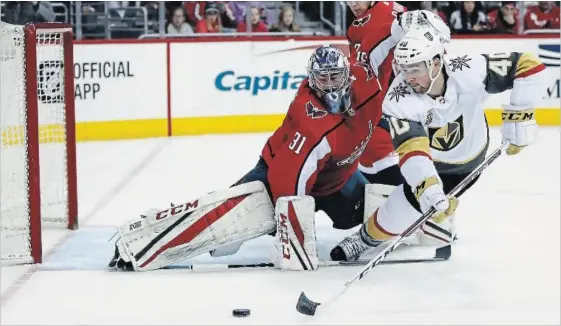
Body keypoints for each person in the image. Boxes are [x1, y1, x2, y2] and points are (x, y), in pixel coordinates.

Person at [109, 45, 386, 271]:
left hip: (336, 182)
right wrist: (290, 233)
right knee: (222, 228)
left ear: (348, 75)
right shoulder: (310, 120)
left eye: (334, 77)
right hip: (274, 178)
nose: (328, 86)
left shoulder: (368, 86)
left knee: (369, 213)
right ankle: (140, 240)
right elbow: (286, 179)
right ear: (311, 80)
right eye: (321, 79)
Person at [331, 27, 546, 261]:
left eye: (415, 69)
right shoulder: (397, 99)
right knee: (397, 212)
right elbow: (412, 152)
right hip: (433, 164)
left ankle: (430, 220)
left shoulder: (468, 69)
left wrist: (520, 114)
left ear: (435, 62)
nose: (409, 78)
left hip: (471, 160)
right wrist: (429, 190)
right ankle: (365, 239)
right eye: (403, 70)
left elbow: (529, 65)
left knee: (420, 207)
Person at [344, 2, 451, 218]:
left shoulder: (394, 16)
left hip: (399, 105)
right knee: (370, 160)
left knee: (385, 156)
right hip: (383, 104)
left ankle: (428, 216)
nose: (352, 3)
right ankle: (405, 213)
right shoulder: (363, 22)